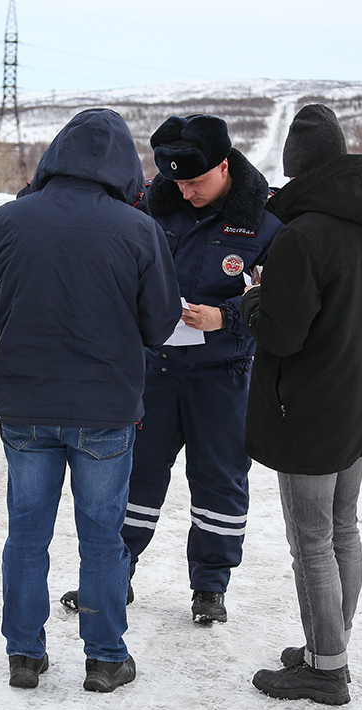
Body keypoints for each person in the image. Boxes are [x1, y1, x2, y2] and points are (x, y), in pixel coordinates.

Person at [0, 108, 181, 693]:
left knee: (27, 534)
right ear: (123, 166)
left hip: (25, 407)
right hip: (106, 412)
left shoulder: (8, 220)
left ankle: (24, 655)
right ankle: (107, 658)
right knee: (102, 537)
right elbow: (159, 325)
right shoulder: (140, 231)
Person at [63, 114, 281, 624]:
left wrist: (223, 318)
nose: (185, 192)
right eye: (176, 181)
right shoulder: (148, 208)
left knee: (219, 482)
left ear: (224, 166)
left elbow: (278, 304)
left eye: (196, 180)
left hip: (223, 378)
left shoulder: (263, 225)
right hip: (153, 372)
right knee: (133, 477)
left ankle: (210, 587)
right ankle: (115, 574)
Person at [240, 104, 362, 705]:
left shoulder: (302, 237)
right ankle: (328, 645)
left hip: (311, 410)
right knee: (343, 527)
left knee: (311, 538)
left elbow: (282, 334)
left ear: (298, 171)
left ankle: (325, 670)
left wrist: (253, 300)